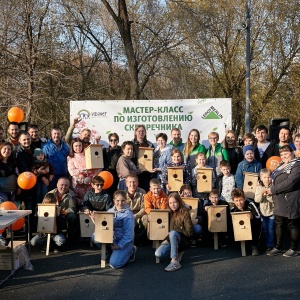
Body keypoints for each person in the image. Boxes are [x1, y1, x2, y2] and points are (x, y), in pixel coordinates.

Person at [266, 145, 300, 257]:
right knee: (279, 224)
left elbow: (291, 182)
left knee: (293, 224)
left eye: (286, 153)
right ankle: (278, 247)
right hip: (279, 200)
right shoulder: (280, 164)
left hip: (291, 199)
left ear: (292, 153)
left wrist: (273, 189)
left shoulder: (297, 164)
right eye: (281, 154)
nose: (284, 156)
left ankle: (293, 248)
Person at [155, 193, 193, 272]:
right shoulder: (169, 213)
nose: (173, 205)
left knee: (173, 233)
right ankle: (177, 251)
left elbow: (190, 233)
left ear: (179, 202)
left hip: (183, 240)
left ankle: (175, 262)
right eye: (171, 203)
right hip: (171, 239)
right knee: (158, 254)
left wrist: (176, 232)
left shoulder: (185, 213)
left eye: (175, 202)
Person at [108, 190, 136, 269]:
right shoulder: (110, 212)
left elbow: (129, 235)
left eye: (123, 201)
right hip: (113, 240)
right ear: (114, 201)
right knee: (95, 236)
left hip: (124, 242)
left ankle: (130, 252)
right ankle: (109, 254)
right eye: (117, 201)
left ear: (126, 200)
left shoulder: (128, 215)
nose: (120, 203)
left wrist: (119, 246)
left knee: (114, 264)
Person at [45, 177, 79, 244]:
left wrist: (64, 212)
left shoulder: (71, 194)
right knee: (33, 242)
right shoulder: (50, 193)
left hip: (64, 215)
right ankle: (47, 239)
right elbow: (44, 207)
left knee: (73, 216)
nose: (64, 187)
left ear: (69, 186)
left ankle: (70, 239)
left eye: (66, 185)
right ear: (57, 185)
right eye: (62, 185)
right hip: (52, 216)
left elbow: (73, 208)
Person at [67, 138, 98, 206]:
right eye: (76, 146)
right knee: (79, 201)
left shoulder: (87, 156)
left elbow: (94, 167)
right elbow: (72, 171)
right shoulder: (71, 158)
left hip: (89, 183)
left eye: (80, 145)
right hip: (77, 184)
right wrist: (83, 170)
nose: (78, 147)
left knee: (89, 200)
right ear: (72, 147)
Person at [231, 188, 261, 256]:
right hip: (240, 230)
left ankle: (254, 245)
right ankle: (239, 244)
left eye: (241, 200)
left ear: (244, 199)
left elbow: (258, 216)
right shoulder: (233, 209)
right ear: (233, 201)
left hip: (251, 228)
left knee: (255, 224)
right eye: (236, 201)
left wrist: (252, 216)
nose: (239, 203)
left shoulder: (250, 204)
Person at [0, 142, 17, 246]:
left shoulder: (12, 161)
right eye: (4, 149)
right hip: (2, 191)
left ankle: (6, 235)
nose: (7, 151)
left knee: (10, 213)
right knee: (2, 213)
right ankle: (1, 236)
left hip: (12, 191)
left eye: (9, 149)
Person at [254, 168, 275, 252]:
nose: (267, 179)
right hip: (263, 212)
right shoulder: (259, 187)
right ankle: (266, 244)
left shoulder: (273, 187)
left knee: (271, 229)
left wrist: (269, 195)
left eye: (268, 177)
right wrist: (262, 194)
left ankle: (271, 245)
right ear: (261, 178)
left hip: (271, 212)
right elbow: (257, 200)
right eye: (265, 177)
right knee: (265, 229)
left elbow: (274, 200)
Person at [124, 174, 147, 243]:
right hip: (127, 215)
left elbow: (144, 207)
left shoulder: (142, 192)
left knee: (146, 218)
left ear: (137, 183)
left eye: (134, 182)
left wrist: (136, 215)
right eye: (130, 182)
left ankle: (140, 239)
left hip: (139, 214)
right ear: (126, 184)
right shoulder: (122, 194)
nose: (132, 184)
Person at [132, 125, 155, 192]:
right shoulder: (131, 143)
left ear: (145, 133)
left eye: (143, 131)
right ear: (135, 132)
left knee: (145, 192)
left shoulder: (150, 145)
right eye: (139, 131)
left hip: (147, 174)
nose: (141, 133)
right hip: (135, 172)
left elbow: (153, 158)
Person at [102, 133, 122, 198]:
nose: (113, 142)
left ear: (118, 141)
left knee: (114, 191)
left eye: (115, 140)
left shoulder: (121, 151)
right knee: (105, 191)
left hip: (116, 174)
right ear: (109, 141)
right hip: (106, 173)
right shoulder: (105, 150)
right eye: (111, 140)